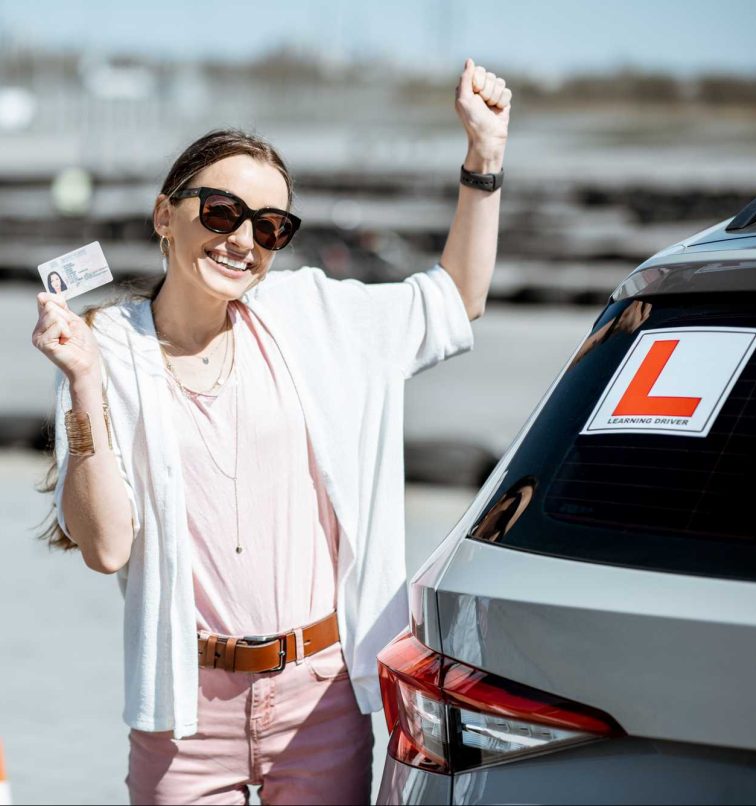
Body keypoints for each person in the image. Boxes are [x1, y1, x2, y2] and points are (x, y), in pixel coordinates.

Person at [32, 58, 511, 805]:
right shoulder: (105, 350)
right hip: (184, 709)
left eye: (270, 226)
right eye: (221, 212)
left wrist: (484, 155)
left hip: (319, 701)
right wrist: (84, 385)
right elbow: (106, 548)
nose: (243, 240)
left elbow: (457, 299)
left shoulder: (311, 317)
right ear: (165, 215)